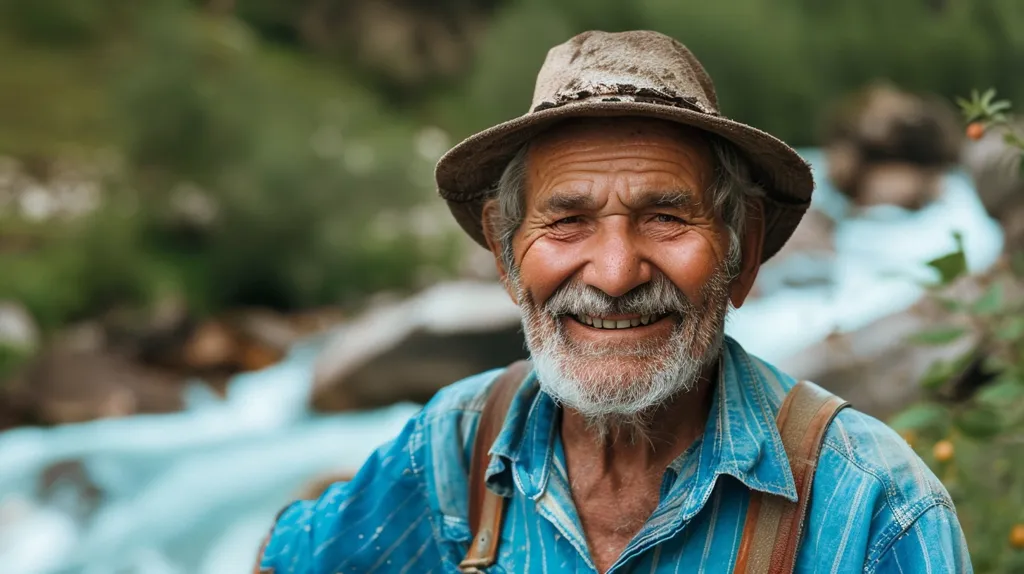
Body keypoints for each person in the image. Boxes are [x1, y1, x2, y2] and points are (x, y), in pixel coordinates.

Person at [254, 30, 971, 573]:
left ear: (742, 252)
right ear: (507, 253)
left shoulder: (876, 509)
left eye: (666, 216)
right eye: (567, 220)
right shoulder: (456, 449)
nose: (616, 273)